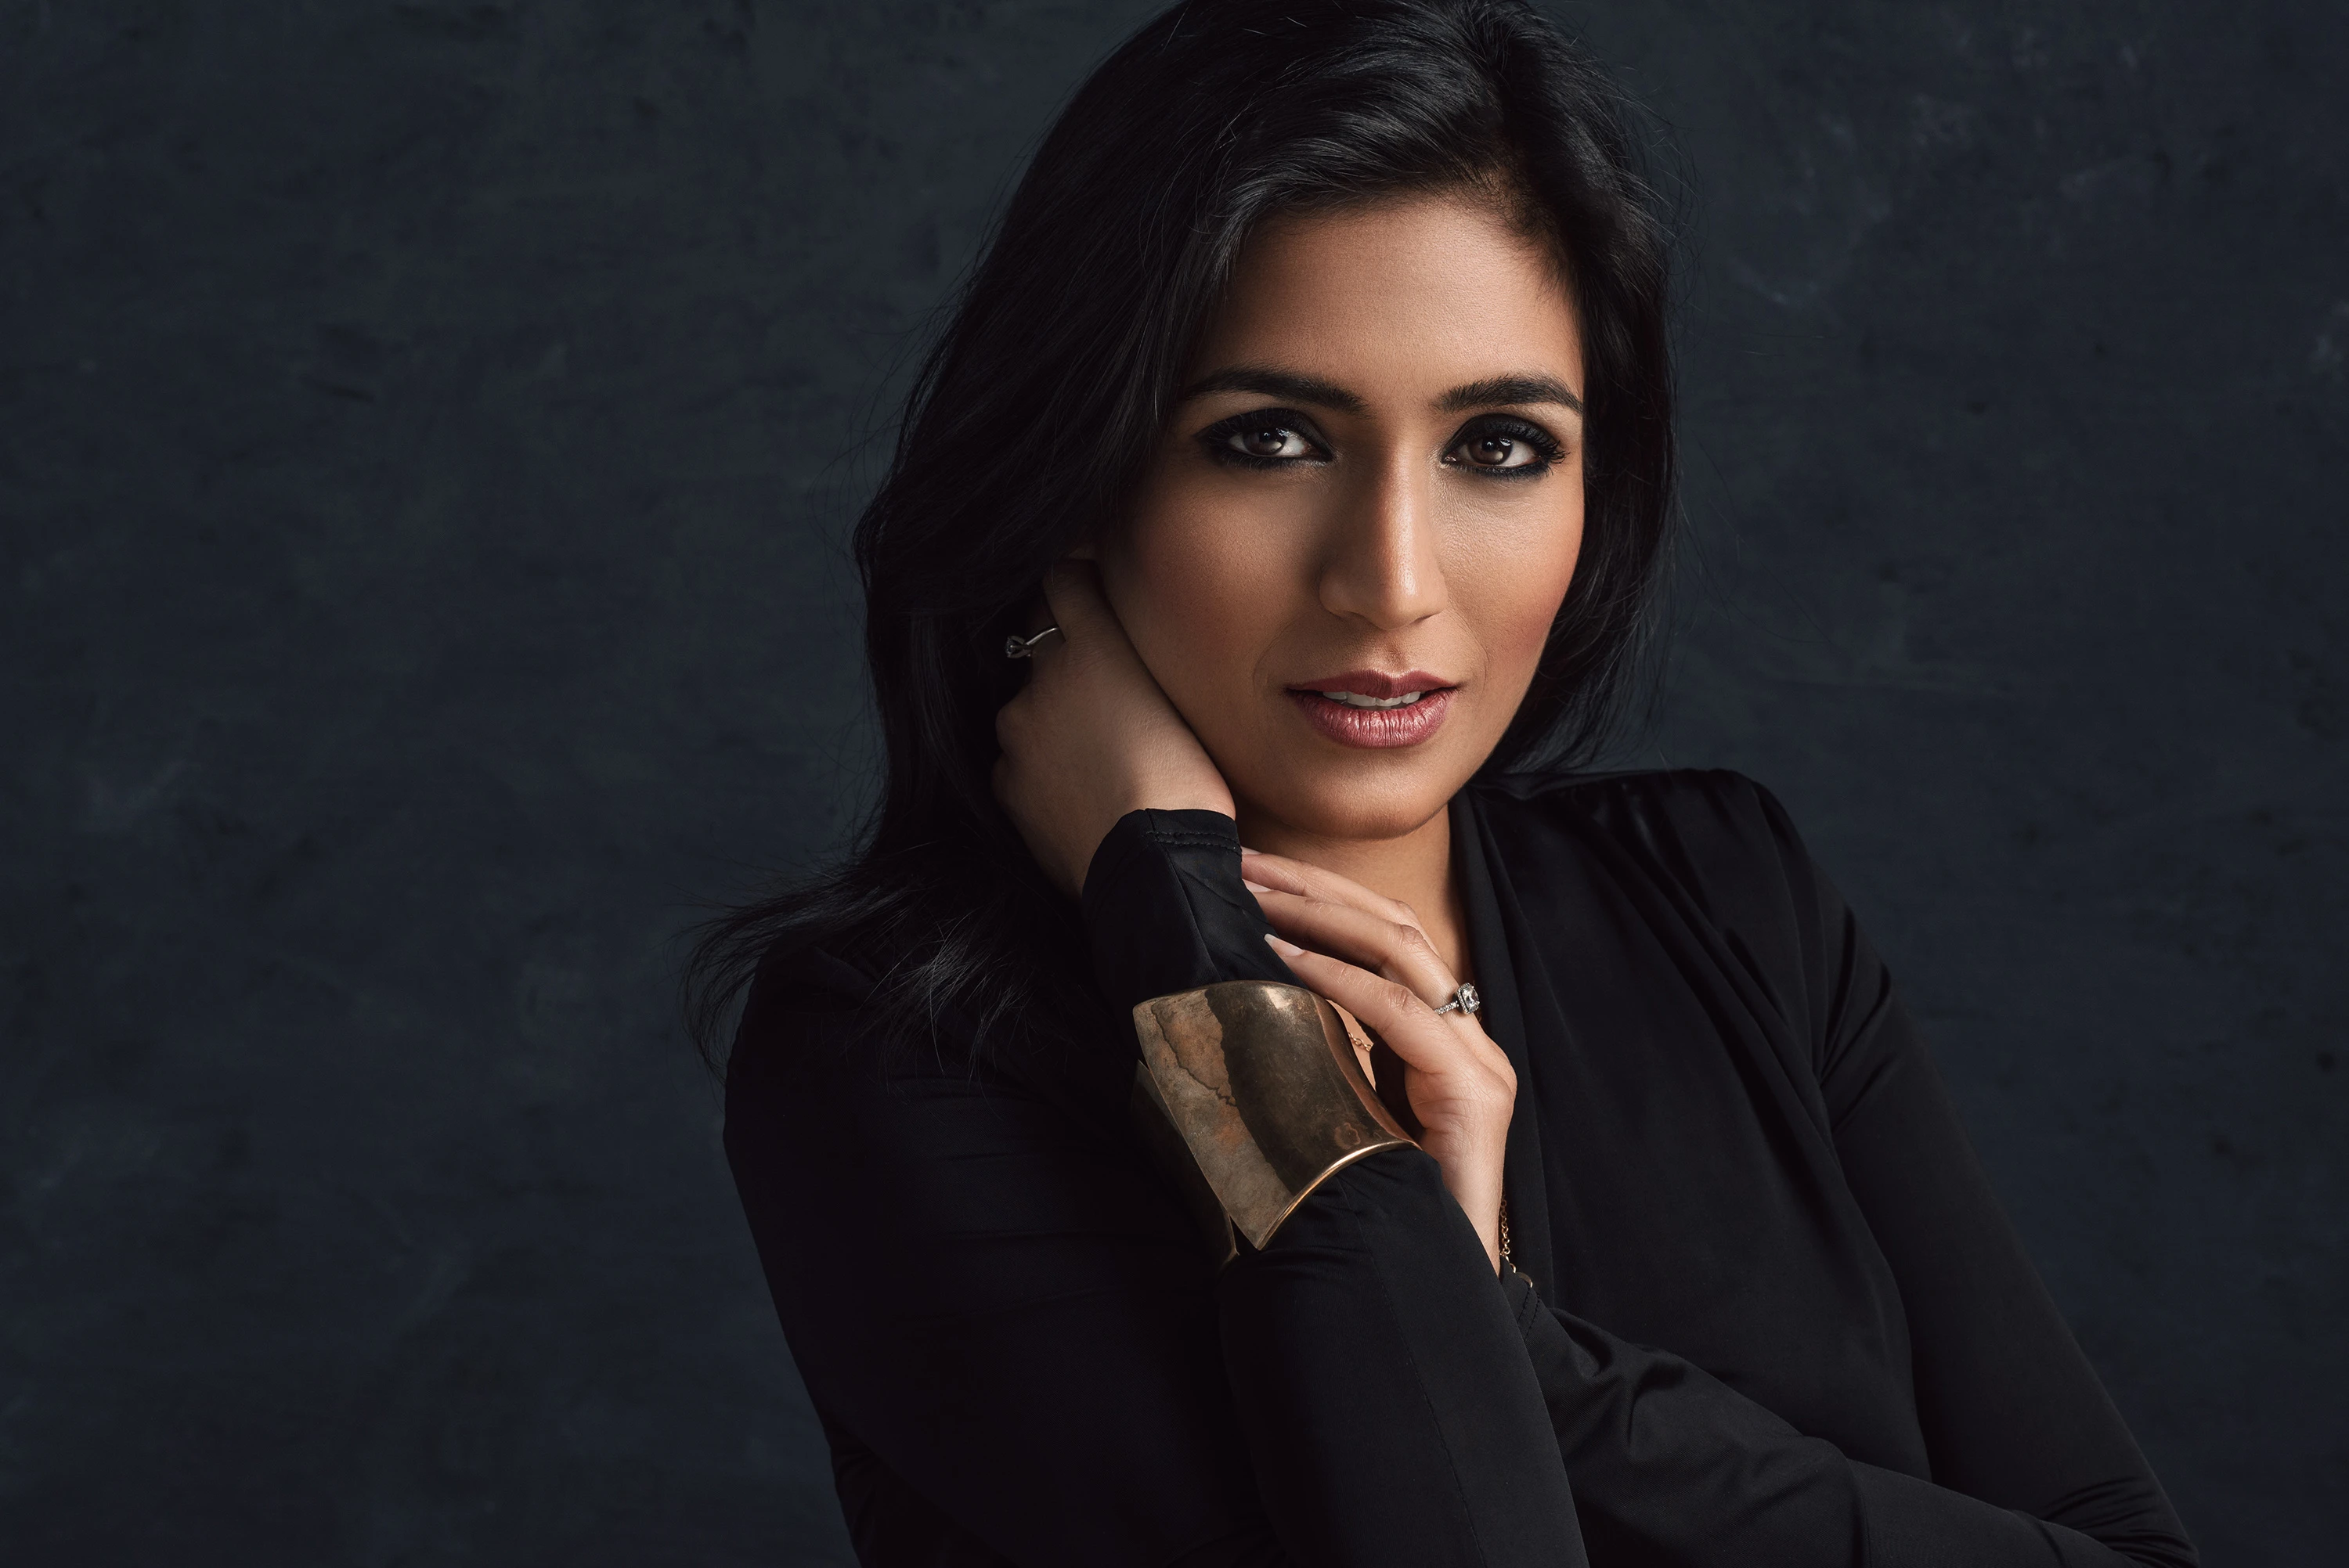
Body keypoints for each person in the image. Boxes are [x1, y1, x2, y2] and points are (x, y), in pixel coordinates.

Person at [695, 2, 2199, 1563]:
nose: (1392, 582)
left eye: (1496, 445)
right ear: (1086, 472)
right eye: (1269, 438)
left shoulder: (1729, 896)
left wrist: (1511, 1345)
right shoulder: (902, 1054)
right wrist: (1200, 961)